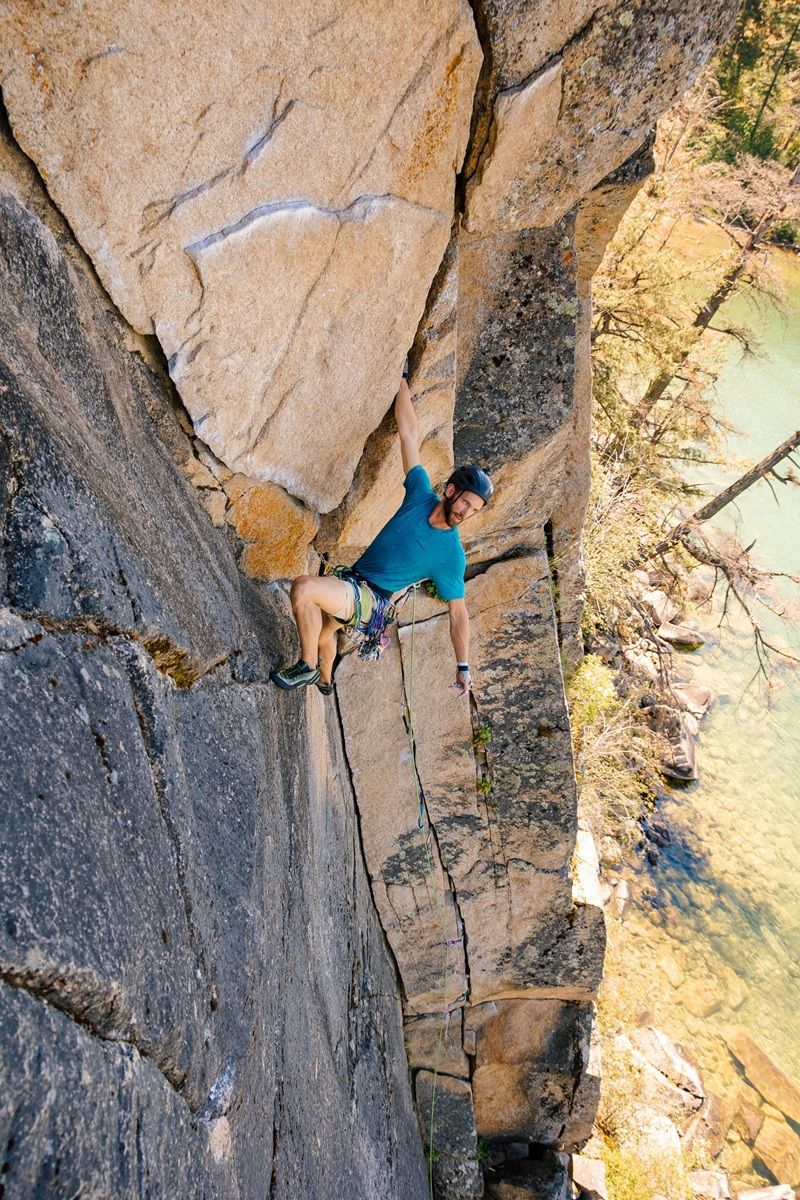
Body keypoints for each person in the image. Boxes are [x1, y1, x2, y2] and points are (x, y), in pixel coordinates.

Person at [270, 368, 493, 697]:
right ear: (450, 491)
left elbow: (458, 613)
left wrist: (463, 666)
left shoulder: (451, 555)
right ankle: (326, 680)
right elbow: (408, 434)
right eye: (466, 503)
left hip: (370, 601)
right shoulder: (419, 493)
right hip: (354, 581)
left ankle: (308, 666)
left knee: (304, 589)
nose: (466, 512)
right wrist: (400, 378)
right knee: (322, 629)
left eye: (474, 509)